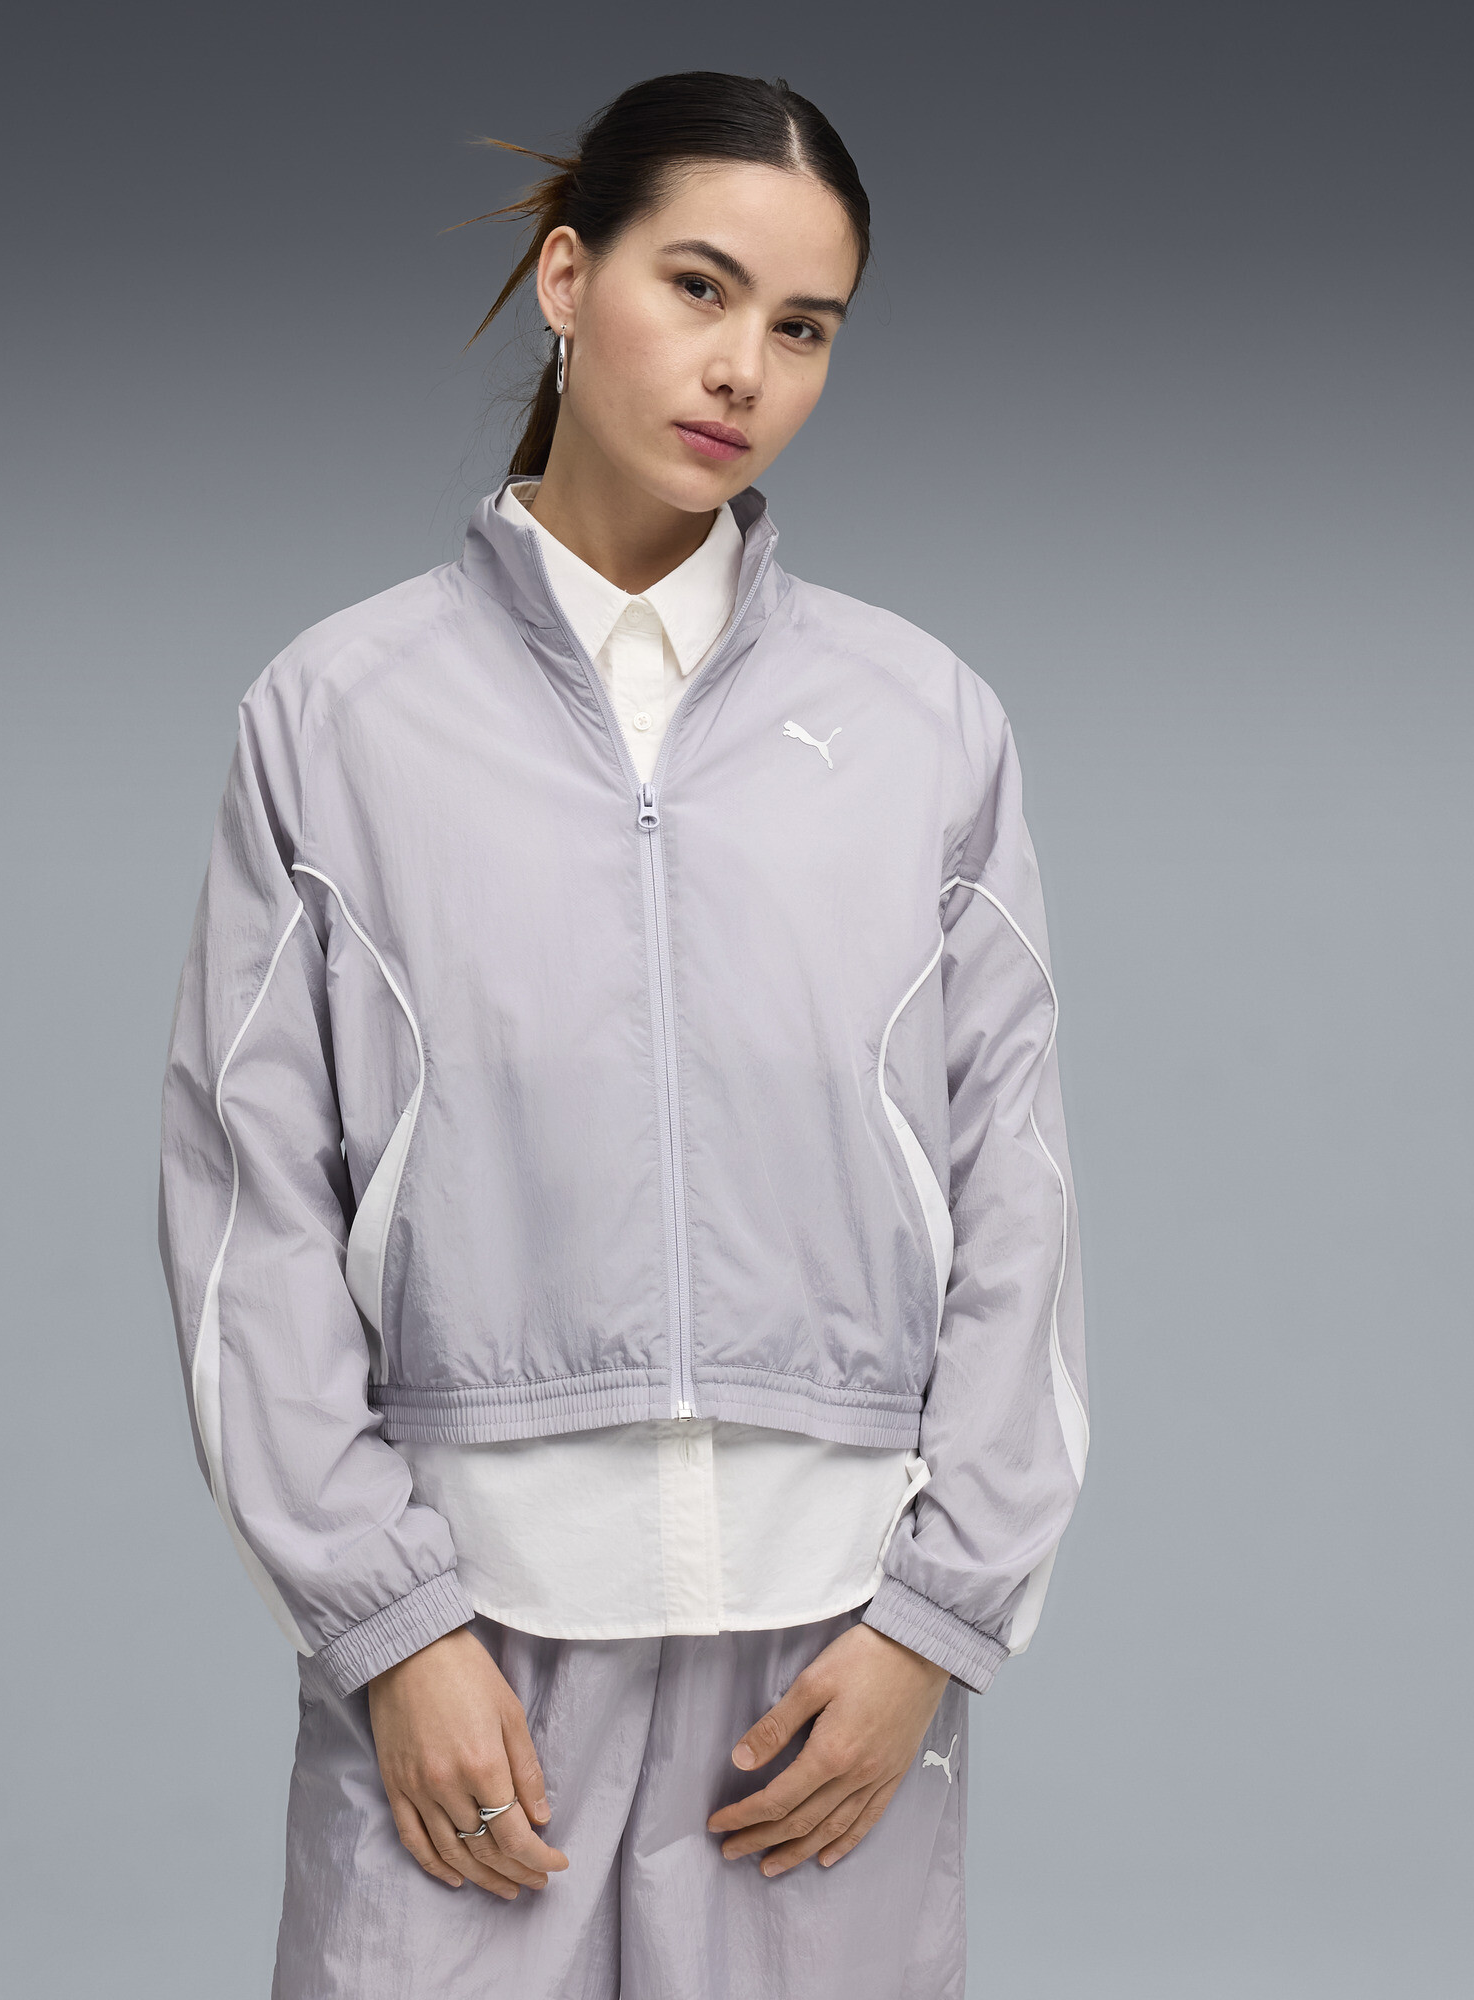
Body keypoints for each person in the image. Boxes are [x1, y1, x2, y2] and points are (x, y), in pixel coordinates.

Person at [157, 69, 1089, 2000]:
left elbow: (1018, 1194)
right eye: (700, 286)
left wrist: (936, 1623)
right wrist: (390, 1626)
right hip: (465, 1650)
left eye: (805, 326)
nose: (744, 365)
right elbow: (250, 1209)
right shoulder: (337, 714)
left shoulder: (924, 725)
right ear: (569, 280)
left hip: (829, 1658)